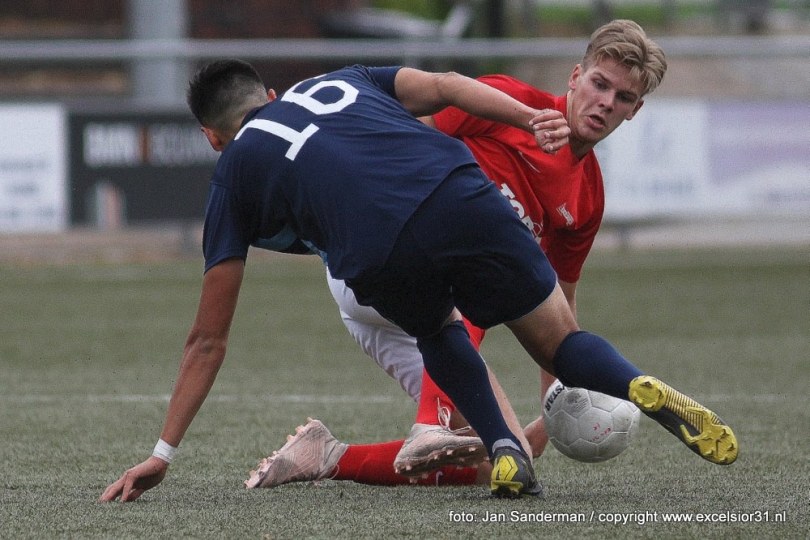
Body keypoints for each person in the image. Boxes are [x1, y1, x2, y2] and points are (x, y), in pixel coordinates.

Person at [100, 56, 737, 503]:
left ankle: (493, 442)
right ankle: (631, 382)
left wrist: (163, 453)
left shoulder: (232, 173)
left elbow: (207, 340)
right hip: (461, 190)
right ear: (270, 95)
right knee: (555, 339)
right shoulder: (336, 82)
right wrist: (527, 118)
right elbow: (448, 83)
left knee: (437, 326)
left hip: (373, 252)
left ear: (213, 137)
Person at [244, 19, 670, 489]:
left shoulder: (587, 195)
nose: (606, 103)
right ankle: (428, 424)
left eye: (623, 98)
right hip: (377, 267)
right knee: (473, 266)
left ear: (635, 110)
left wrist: (559, 404)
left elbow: (560, 307)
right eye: (599, 84)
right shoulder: (505, 102)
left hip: (416, 317)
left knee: (499, 460)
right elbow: (399, 137)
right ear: (575, 76)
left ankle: (326, 456)